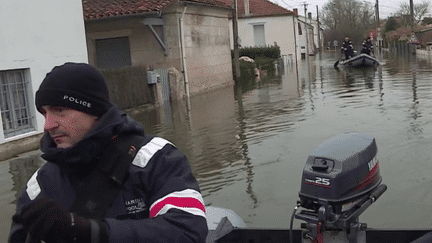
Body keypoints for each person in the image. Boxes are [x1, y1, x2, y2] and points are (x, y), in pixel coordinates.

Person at [8, 62, 208, 242]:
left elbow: (187, 230)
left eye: (59, 110)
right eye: (44, 113)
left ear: (94, 111)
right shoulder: (39, 185)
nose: (48, 125)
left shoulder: (156, 159)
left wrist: (91, 232)